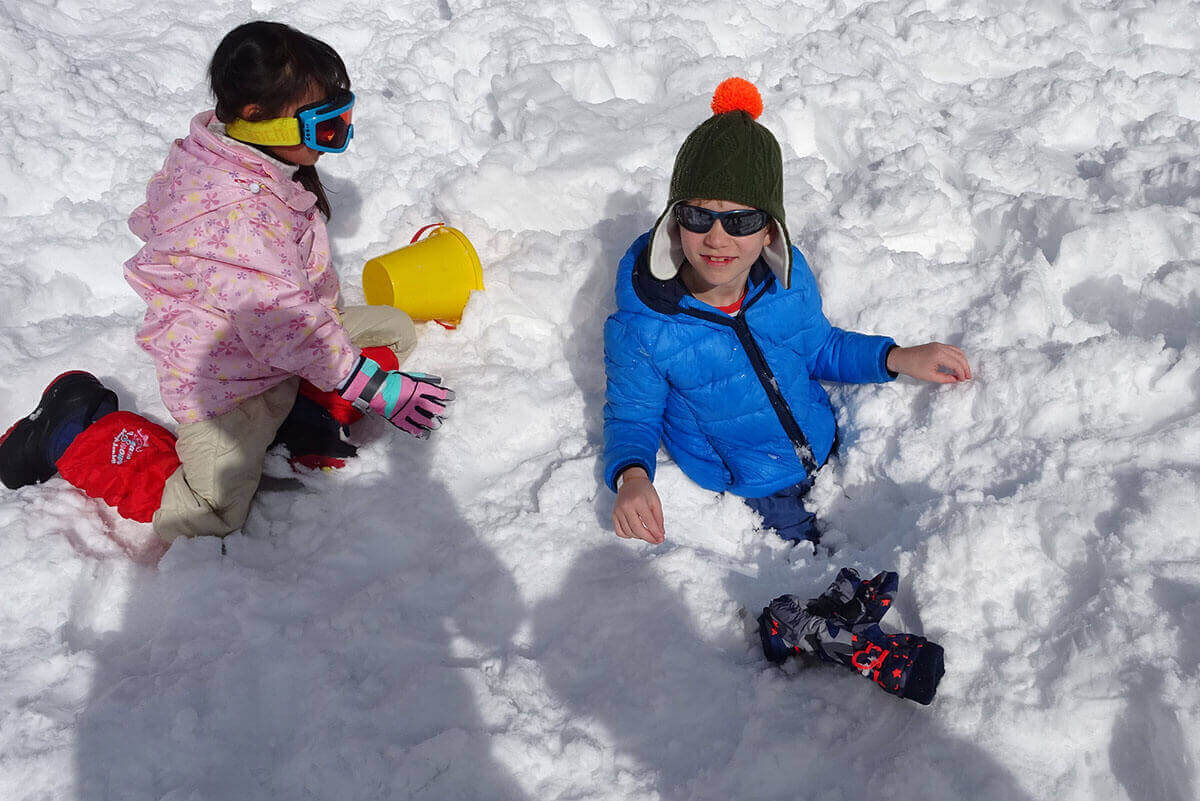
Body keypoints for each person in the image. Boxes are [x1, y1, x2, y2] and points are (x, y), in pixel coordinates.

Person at [0, 21, 452, 545]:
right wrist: (374, 387)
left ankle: (301, 416)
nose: (337, 141)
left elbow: (289, 317)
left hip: (279, 342)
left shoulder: (234, 146)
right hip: (229, 380)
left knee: (391, 329)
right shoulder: (240, 214)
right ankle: (73, 429)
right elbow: (288, 323)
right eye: (324, 128)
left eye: (343, 119)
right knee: (209, 512)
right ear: (256, 118)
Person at [604, 78, 972, 547]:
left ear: (769, 233)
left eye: (741, 221)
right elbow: (632, 416)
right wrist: (633, 477)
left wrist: (896, 358)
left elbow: (821, 347)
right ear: (675, 223)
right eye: (698, 217)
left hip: (822, 439)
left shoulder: (786, 283)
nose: (717, 239)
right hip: (753, 480)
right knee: (815, 565)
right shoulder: (644, 326)